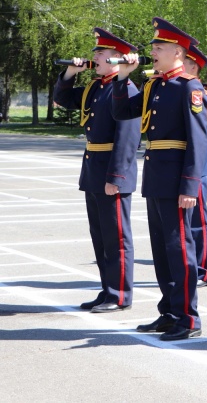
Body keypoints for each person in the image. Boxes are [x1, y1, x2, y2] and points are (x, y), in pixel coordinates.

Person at [112, 17, 207, 341]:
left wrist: (190, 185)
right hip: (156, 174)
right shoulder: (155, 85)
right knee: (162, 249)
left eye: (159, 47)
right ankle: (168, 312)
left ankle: (188, 317)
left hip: (176, 177)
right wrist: (123, 77)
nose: (153, 51)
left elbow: (198, 140)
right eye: (153, 46)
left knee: (180, 249)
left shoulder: (189, 88)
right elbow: (122, 112)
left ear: (178, 52)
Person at [53, 28, 140, 313]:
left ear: (117, 58)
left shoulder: (125, 88)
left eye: (101, 53)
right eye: (96, 54)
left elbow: (128, 138)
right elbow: (63, 100)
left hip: (112, 172)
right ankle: (107, 290)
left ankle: (120, 295)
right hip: (93, 169)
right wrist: (70, 75)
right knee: (100, 235)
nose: (95, 58)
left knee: (116, 237)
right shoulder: (97, 87)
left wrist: (116, 177)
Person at [184, 45, 207, 286]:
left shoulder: (202, 98)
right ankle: (189, 267)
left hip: (195, 169)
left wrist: (195, 171)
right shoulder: (180, 91)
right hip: (180, 166)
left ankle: (203, 269)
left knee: (197, 220)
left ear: (193, 66)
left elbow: (204, 140)